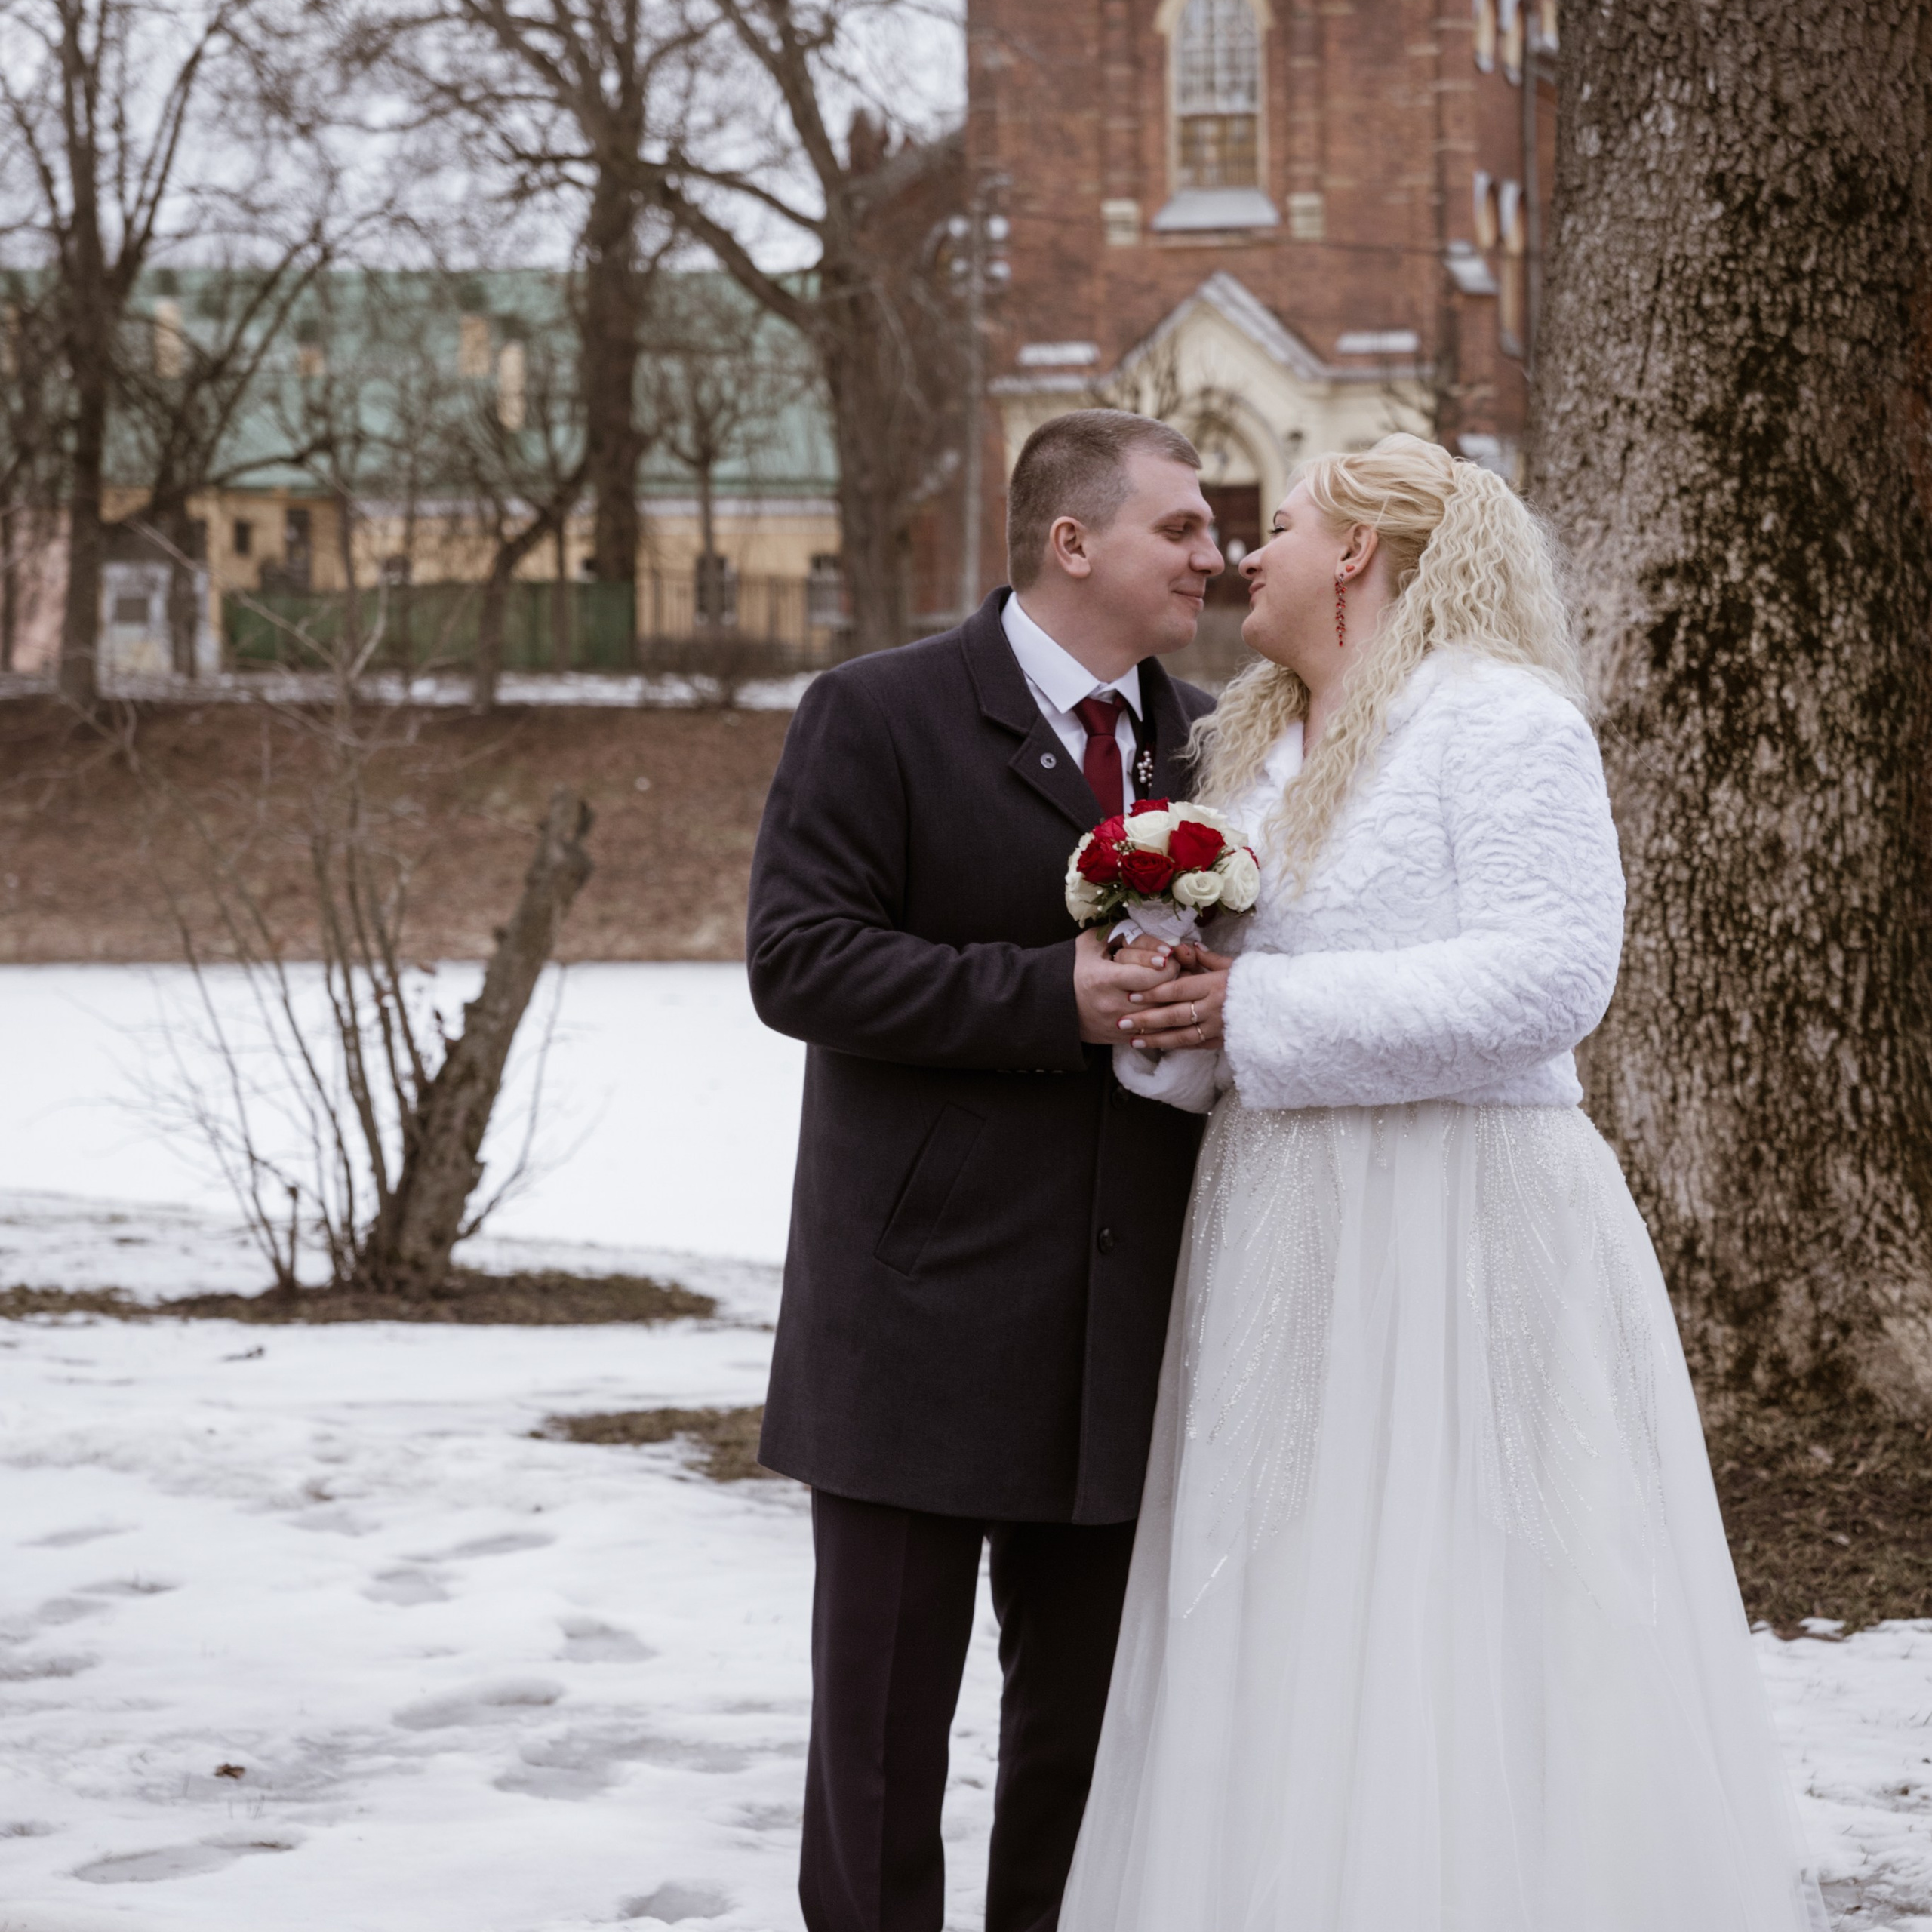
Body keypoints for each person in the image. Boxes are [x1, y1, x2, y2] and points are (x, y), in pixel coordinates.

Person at [1059, 434, 1829, 1932]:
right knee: (1277, 1580)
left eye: (1274, 525)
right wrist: (1173, 1011)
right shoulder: (1255, 756)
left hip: (1460, 1222)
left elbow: (1550, 978)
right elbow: (1249, 1004)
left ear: (1356, 548)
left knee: (1477, 1586)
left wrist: (1254, 1014)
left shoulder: (1496, 722)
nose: (1243, 556)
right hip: (1284, 1231)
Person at [746, 408, 1223, 1932]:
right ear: (1069, 540)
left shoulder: (1215, 739)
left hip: (1125, 1317)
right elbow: (798, 959)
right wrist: (1050, 997)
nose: (1212, 557)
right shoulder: (872, 711)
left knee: (1081, 1749)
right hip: (914, 1314)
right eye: (1182, 530)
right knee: (878, 1752)